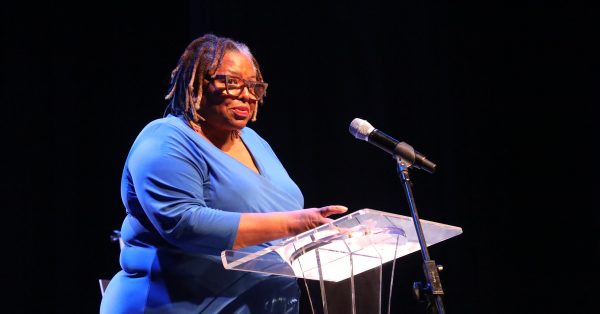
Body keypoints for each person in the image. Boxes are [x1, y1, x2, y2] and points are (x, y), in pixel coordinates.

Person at [99, 33, 348, 314]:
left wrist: (320, 236)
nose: (248, 94)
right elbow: (182, 223)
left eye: (253, 85)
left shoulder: (254, 141)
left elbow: (279, 217)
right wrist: (293, 224)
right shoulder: (166, 139)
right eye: (231, 82)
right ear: (195, 84)